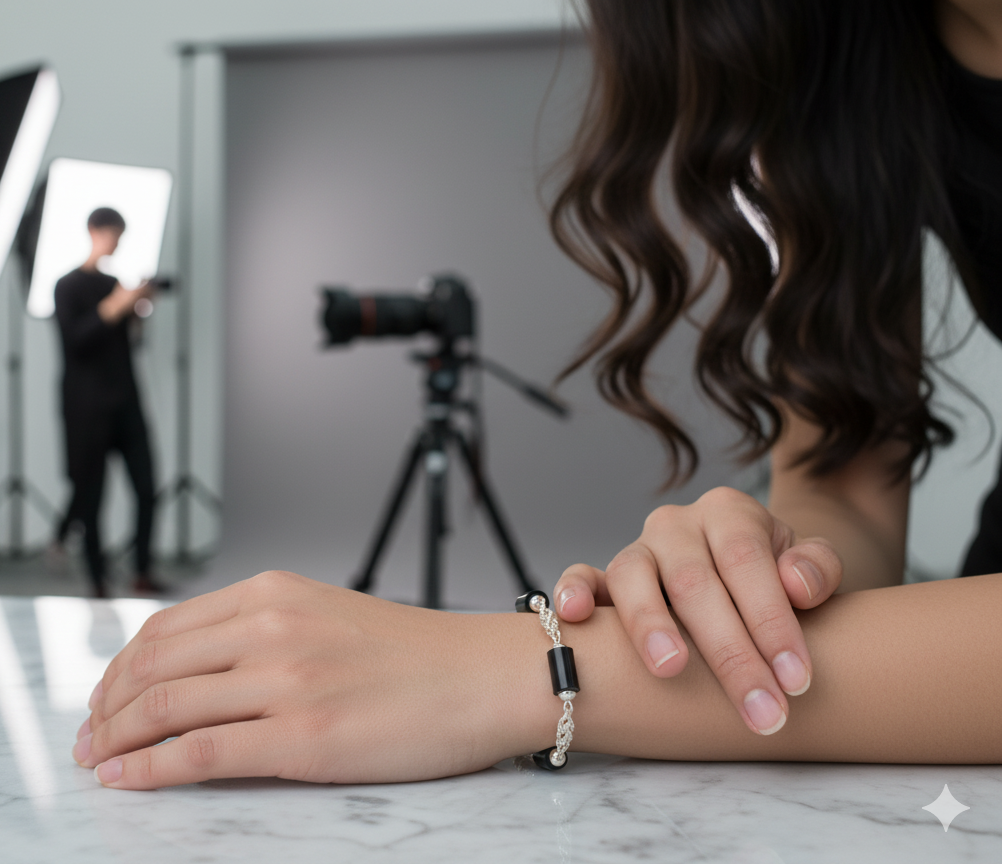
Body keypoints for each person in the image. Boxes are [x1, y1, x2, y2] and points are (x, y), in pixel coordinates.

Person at [71, 0, 1002, 788]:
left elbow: (522, 678)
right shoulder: (855, 54)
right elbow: (844, 486)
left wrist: (518, 673)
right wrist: (763, 575)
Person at [54, 207, 162, 598]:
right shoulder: (66, 287)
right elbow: (77, 341)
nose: (116, 243)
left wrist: (137, 310)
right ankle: (97, 580)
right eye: (112, 234)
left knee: (148, 488)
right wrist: (115, 307)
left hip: (126, 401)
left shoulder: (116, 283)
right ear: (94, 231)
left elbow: (127, 342)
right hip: (87, 407)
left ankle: (143, 571)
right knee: (91, 496)